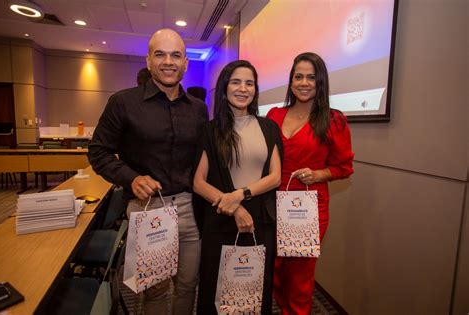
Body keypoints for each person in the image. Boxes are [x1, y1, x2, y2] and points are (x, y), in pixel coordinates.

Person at [88, 29, 208, 314]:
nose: (169, 61)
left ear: (186, 63)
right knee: (155, 288)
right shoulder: (123, 103)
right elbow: (98, 152)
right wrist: (131, 178)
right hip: (148, 209)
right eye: (160, 54)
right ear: (148, 60)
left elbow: (204, 158)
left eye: (176, 55)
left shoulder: (199, 109)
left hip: (190, 208)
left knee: (188, 285)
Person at [266, 52, 354, 315]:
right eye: (298, 76)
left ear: (320, 82)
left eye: (311, 77)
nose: (304, 82)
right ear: (291, 81)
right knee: (272, 272)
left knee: (300, 280)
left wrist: (317, 174)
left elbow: (344, 167)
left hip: (307, 209)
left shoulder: (334, 119)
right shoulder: (274, 114)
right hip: (271, 204)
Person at [193, 60, 283, 314]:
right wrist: (234, 208)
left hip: (260, 222)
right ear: (224, 88)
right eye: (236, 82)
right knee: (217, 293)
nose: (243, 88)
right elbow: (198, 182)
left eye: (249, 83)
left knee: (254, 293)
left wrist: (240, 195)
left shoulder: (269, 127)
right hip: (221, 220)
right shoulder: (210, 130)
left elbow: (275, 177)